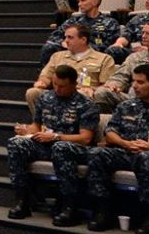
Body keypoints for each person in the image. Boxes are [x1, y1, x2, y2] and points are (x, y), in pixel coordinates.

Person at [84, 65, 149, 234]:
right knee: (96, 153)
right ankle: (102, 210)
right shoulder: (126, 106)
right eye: (133, 82)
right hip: (127, 151)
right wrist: (125, 143)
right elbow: (110, 132)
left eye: (140, 82)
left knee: (146, 158)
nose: (134, 86)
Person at [5, 65, 98, 225]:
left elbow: (86, 138)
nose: (57, 89)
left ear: (74, 84)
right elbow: (37, 125)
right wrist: (26, 130)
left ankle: (69, 206)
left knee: (60, 147)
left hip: (73, 148)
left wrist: (56, 137)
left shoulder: (86, 105)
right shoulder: (46, 98)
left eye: (62, 86)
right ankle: (23, 200)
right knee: (16, 143)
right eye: (55, 84)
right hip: (46, 144)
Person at [28, 24, 115, 106]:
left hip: (85, 95)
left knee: (81, 95)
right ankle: (40, 121)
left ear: (83, 40)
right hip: (59, 92)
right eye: (65, 37)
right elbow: (46, 76)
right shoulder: (57, 56)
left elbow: (106, 86)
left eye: (70, 37)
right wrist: (42, 82)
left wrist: (92, 89)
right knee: (33, 92)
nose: (66, 40)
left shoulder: (104, 59)